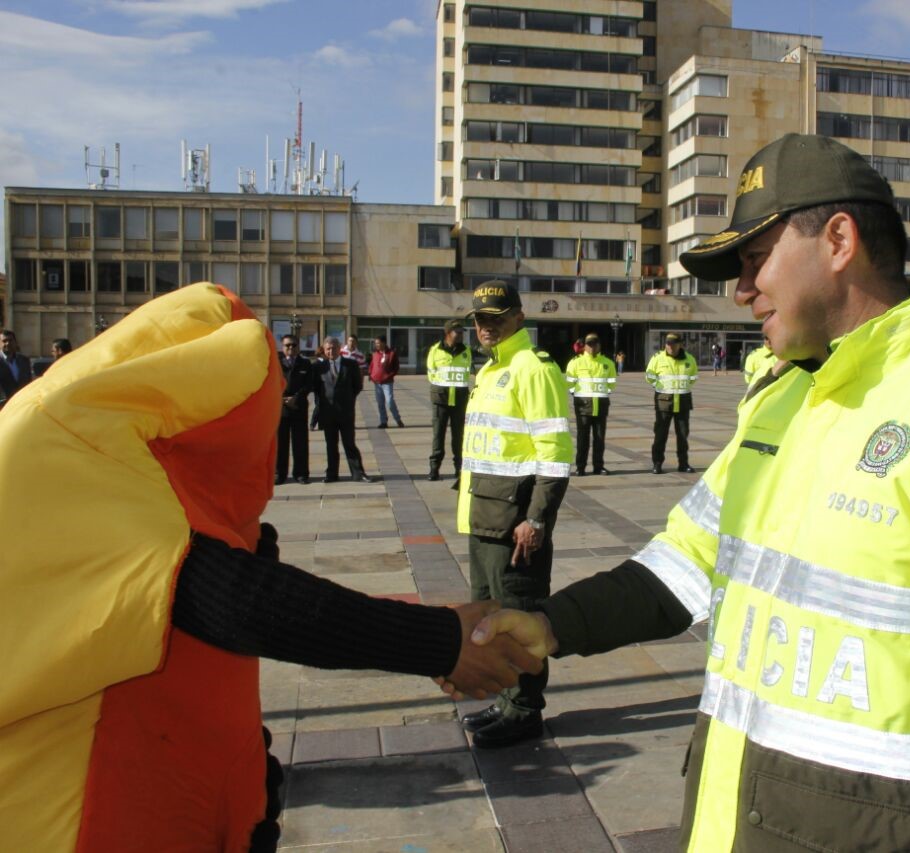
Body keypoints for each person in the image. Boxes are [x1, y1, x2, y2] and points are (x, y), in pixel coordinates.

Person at [465, 134, 910, 853]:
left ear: (838, 240)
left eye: (755, 259)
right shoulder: (783, 399)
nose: (740, 289)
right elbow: (684, 563)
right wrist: (551, 626)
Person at [0, 284, 542, 852]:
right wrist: (440, 641)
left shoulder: (113, 434)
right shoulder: (54, 441)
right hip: (74, 812)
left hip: (170, 795)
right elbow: (231, 599)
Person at [457, 280, 573, 748]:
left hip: (515, 525)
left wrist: (538, 518)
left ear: (519, 318)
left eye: (496, 318)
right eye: (480, 319)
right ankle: (505, 701)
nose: (486, 327)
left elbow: (555, 452)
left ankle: (525, 709)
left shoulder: (532, 369)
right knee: (488, 618)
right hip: (483, 516)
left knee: (519, 617)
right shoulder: (490, 370)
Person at [313, 336, 372, 483]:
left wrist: (347, 399)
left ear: (340, 348)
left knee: (349, 443)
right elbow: (316, 388)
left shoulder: (350, 364)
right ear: (324, 350)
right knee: (331, 445)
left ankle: (358, 473)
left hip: (345, 412)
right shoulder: (319, 367)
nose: (331, 351)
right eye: (328, 349)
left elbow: (357, 386)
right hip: (328, 413)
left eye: (334, 348)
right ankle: (331, 474)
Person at [425, 319, 472, 481]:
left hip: (459, 400)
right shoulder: (435, 350)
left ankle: (459, 469)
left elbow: (466, 373)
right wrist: (441, 388)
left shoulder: (466, 351)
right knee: (438, 436)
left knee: (459, 437)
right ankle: (434, 469)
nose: (460, 336)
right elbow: (431, 373)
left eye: (461, 333)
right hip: (441, 399)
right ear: (447, 333)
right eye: (457, 332)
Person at [565, 332, 617, 476]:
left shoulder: (608, 363)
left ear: (599, 345)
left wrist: (604, 393)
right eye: (589, 345)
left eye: (595, 344)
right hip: (583, 406)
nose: (592, 348)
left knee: (599, 438)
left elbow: (612, 383)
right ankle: (580, 467)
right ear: (585, 346)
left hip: (601, 404)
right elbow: (569, 382)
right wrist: (576, 394)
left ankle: (598, 466)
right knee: (583, 438)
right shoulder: (576, 362)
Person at [646, 332, 698, 474]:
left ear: (680, 344)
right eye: (668, 344)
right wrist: (660, 387)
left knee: (683, 435)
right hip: (664, 401)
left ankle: (683, 463)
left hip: (683, 401)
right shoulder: (657, 359)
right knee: (660, 435)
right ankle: (657, 463)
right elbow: (649, 377)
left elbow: (693, 377)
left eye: (673, 344)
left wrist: (682, 387)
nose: (670, 347)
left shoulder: (690, 359)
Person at [276, 334, 314, 485]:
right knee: (281, 442)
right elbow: (271, 382)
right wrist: (282, 398)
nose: (290, 348)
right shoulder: (276, 363)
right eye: (287, 345)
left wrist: (296, 398)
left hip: (298, 407)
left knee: (300, 442)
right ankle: (280, 473)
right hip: (281, 408)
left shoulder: (305, 363)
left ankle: (301, 473)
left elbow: (309, 384)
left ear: (298, 347)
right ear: (282, 346)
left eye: (293, 345)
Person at [368, 335, 405, 429]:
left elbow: (396, 367)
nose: (376, 345)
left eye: (378, 343)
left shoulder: (391, 353)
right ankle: (383, 421)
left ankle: (398, 419)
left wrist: (390, 375)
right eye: (375, 343)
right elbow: (372, 365)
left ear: (384, 343)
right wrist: (371, 375)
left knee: (390, 401)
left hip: (387, 382)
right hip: (377, 382)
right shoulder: (375, 354)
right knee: (380, 403)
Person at [0, 329, 34, 410]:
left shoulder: (24, 360)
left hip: (21, 406)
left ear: (15, 342)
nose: (8, 343)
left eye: (10, 340)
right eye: (4, 341)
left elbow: (28, 384)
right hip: (3, 408)